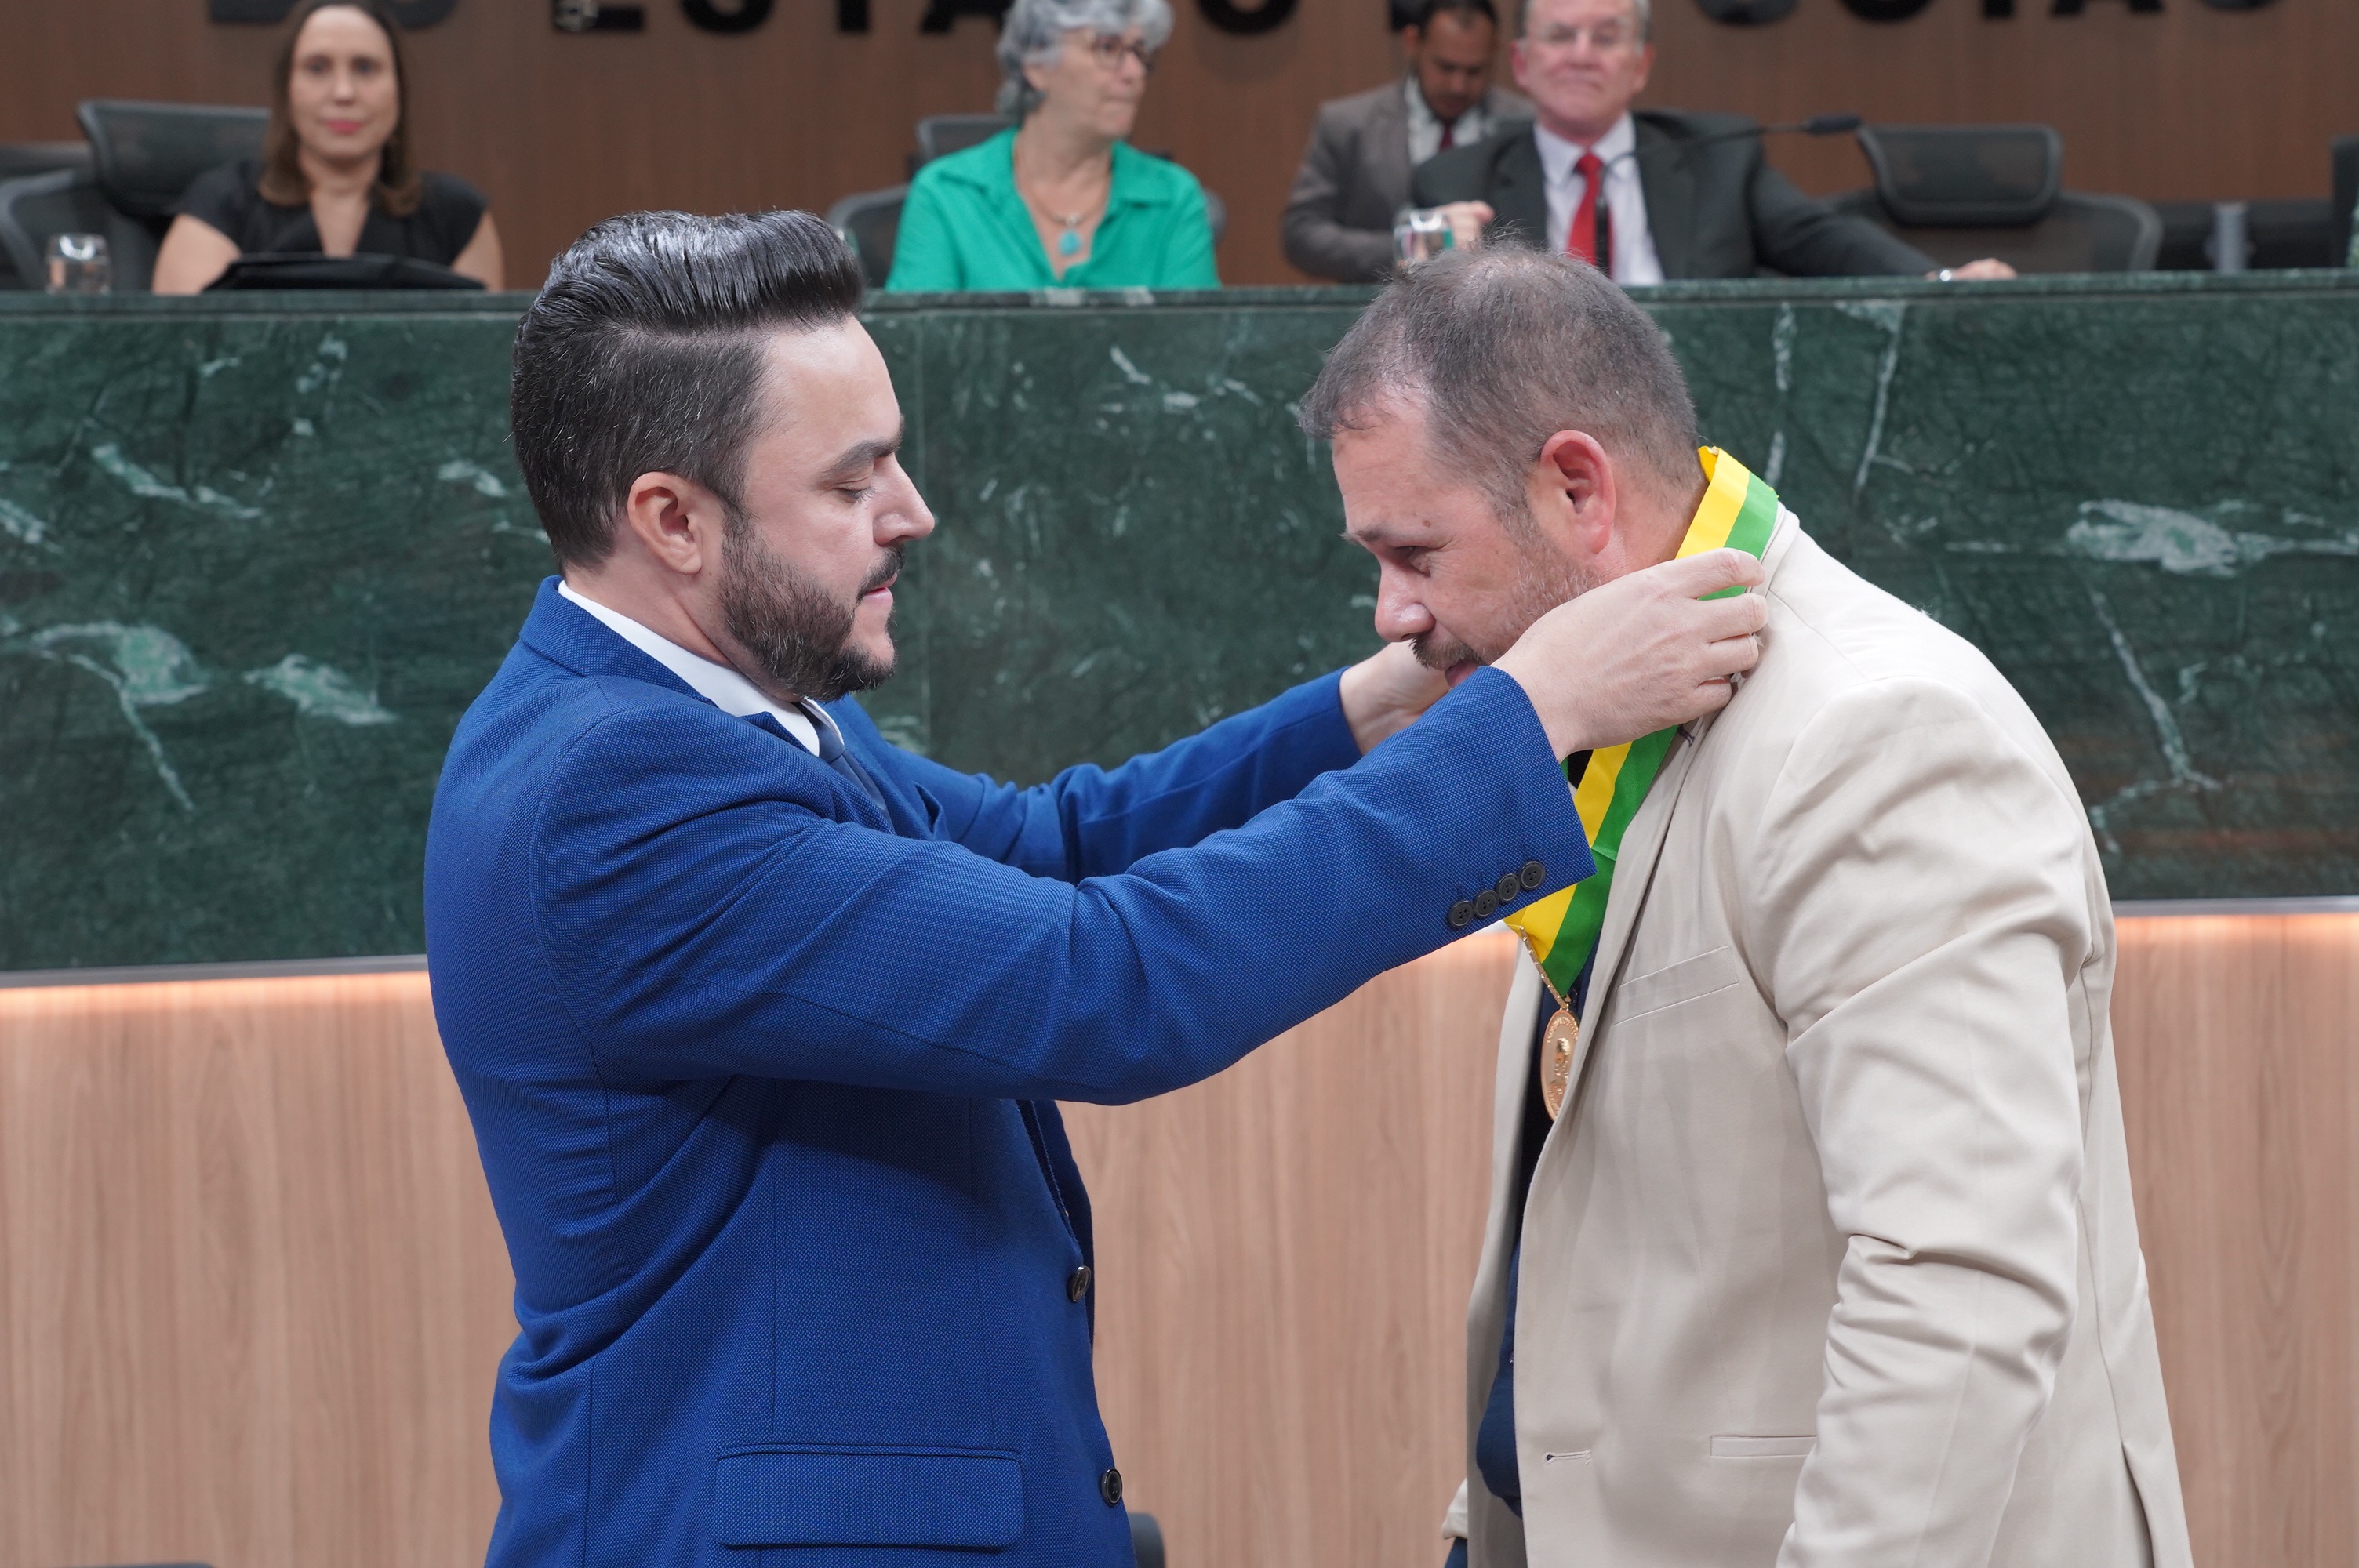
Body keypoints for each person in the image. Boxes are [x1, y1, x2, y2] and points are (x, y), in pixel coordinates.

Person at [425, 208, 1765, 1565]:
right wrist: (1525, 719)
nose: (911, 512)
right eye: (851, 482)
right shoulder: (616, 795)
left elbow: (1050, 842)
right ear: (672, 520)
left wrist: (1384, 705)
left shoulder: (735, 702)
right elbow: (1105, 983)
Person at [1300, 246, 2189, 1568]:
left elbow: (1954, 1294)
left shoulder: (1878, 735)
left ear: (1577, 490)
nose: (1390, 615)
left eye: (1414, 554)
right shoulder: (1596, 713)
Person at [1410, 0, 2014, 283]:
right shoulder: (1456, 181)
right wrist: (1427, 257)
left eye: (1607, 37)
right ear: (1521, 63)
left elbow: (1826, 242)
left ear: (1641, 65)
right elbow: (1411, 310)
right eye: (1560, 36)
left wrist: (1942, 281)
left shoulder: (1718, 155)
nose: (1582, 56)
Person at [153, 0, 503, 294]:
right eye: (317, 68)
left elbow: (483, 350)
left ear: (399, 89)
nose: (343, 92)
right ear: (288, 90)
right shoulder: (219, 204)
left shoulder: (459, 216)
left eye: (365, 68)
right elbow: (184, 348)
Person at [886, 0, 1216, 291]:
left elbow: (1196, 339)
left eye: (1139, 52)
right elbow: (917, 340)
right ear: (1037, 65)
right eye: (1108, 48)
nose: (1134, 72)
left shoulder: (1175, 199)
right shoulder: (946, 195)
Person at [1281, 0, 1530, 282]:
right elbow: (1301, 234)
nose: (1457, 86)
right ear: (1412, 42)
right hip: (1375, 303)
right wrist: (1412, 246)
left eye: (1474, 71)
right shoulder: (1347, 125)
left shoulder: (1526, 125)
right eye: (1445, 67)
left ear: (1495, 50)